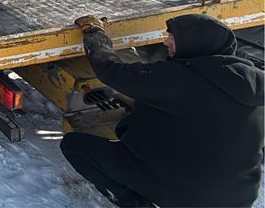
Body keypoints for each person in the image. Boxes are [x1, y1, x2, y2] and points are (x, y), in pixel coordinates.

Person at [60, 13, 264, 207]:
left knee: (76, 145)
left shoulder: (178, 78)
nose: (166, 42)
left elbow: (110, 69)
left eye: (172, 37)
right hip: (239, 198)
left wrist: (94, 31)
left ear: (195, 43)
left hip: (187, 196)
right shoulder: (257, 82)